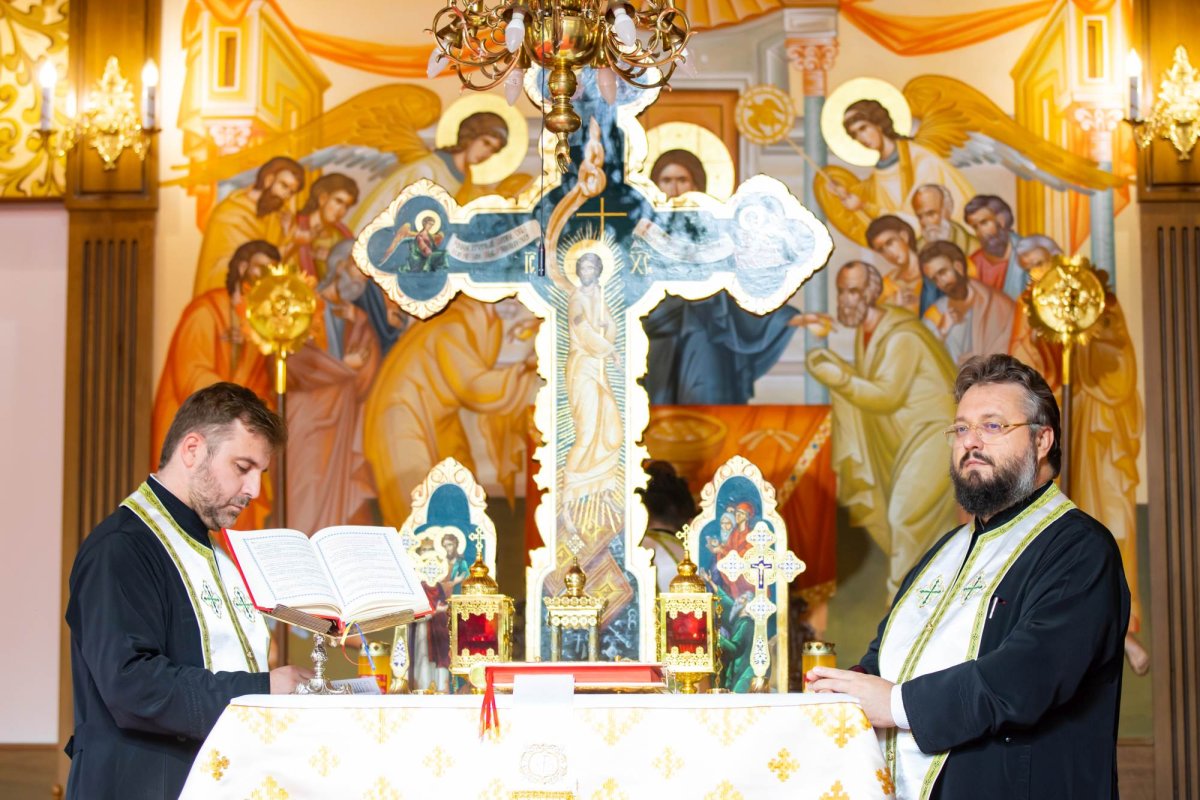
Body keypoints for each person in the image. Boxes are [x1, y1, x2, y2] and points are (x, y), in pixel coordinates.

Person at [808, 354, 1129, 800]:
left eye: (992, 426)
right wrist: (843, 689)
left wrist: (896, 704)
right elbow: (887, 658)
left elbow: (1027, 676)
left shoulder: (1079, 549)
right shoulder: (945, 551)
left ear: (1042, 440)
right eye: (961, 428)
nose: (971, 442)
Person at [65, 383, 312, 800]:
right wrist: (262, 688)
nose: (254, 490)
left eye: (260, 474)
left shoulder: (219, 556)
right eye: (243, 467)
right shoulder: (121, 547)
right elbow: (132, 685)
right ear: (193, 449)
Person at [801, 261, 959, 596]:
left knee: (905, 516)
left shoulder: (902, 335)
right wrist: (840, 371)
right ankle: (934, 601)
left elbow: (886, 396)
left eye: (854, 291)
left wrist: (838, 376)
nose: (846, 299)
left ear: (872, 293)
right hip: (908, 439)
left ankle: (898, 608)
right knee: (930, 530)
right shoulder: (869, 331)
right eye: (842, 291)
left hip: (934, 435)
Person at [151, 240, 280, 528]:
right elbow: (193, 380)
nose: (254, 490)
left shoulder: (257, 324)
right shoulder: (205, 312)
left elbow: (261, 391)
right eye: (243, 467)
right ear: (242, 268)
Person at [815, 98, 975, 246]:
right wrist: (843, 191)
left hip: (955, 241)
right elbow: (870, 198)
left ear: (878, 124)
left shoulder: (920, 160)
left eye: (863, 128)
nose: (861, 138)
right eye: (854, 135)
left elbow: (917, 221)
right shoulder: (878, 174)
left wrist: (863, 205)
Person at [193, 156, 304, 296]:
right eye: (284, 186)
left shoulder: (280, 217)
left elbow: (289, 271)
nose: (286, 195)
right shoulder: (229, 213)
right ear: (268, 180)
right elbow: (230, 268)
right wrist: (289, 244)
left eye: (291, 192)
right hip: (226, 298)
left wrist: (288, 234)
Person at [919, 240, 1015, 366]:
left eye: (942, 273)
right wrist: (942, 332)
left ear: (958, 266)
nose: (940, 282)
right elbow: (923, 358)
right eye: (934, 279)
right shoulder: (935, 313)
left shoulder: (998, 304)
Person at [287, 172, 359, 281]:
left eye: (346, 206)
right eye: (338, 201)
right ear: (323, 198)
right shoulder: (293, 225)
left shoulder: (343, 235)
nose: (342, 211)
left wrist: (332, 259)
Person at [866, 215, 933, 315]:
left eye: (890, 243)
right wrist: (895, 308)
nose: (889, 252)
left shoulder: (935, 269)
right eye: (881, 250)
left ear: (904, 236)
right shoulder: (885, 286)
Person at [964, 194, 1026, 301]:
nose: (980, 233)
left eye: (984, 223)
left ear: (1001, 220)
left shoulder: (1031, 253)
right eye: (975, 227)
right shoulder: (974, 263)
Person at [911, 183, 978, 255]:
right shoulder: (916, 251)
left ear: (948, 209)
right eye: (920, 217)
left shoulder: (974, 248)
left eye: (930, 214)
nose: (924, 222)